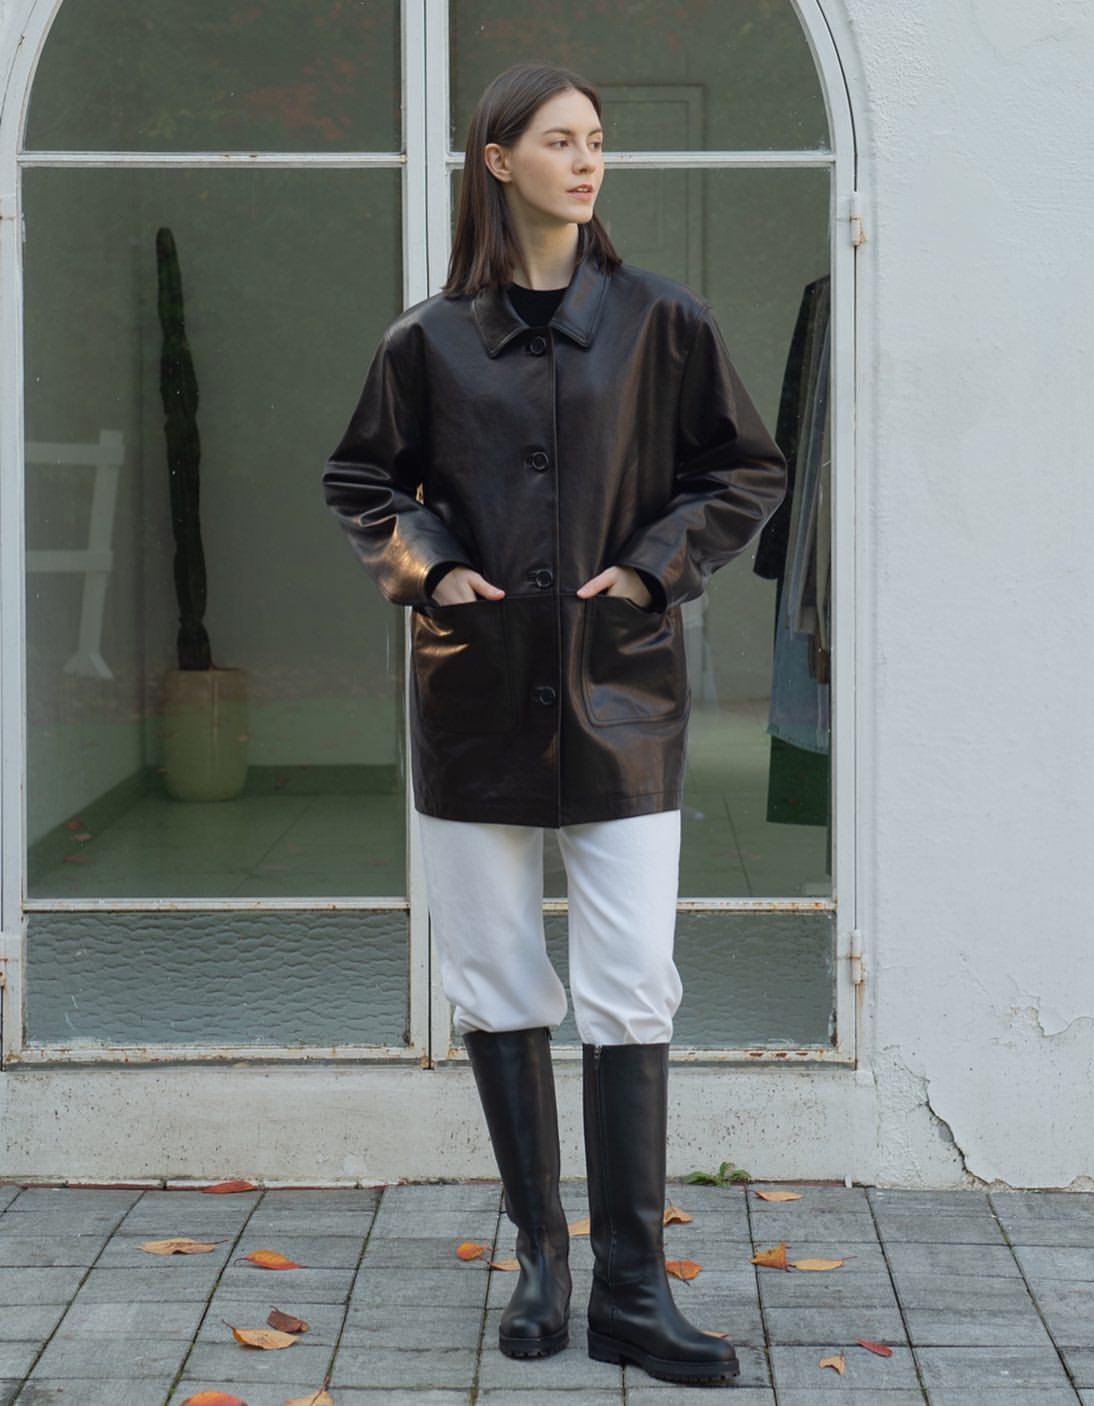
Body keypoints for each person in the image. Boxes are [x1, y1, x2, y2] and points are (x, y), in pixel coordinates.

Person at [323, 62, 786, 1386]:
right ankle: (543, 1257)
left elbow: (744, 467)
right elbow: (362, 479)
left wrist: (649, 568)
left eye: (597, 141)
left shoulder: (661, 321)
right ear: (497, 160)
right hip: (472, 696)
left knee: (630, 980)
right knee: (495, 979)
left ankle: (635, 1289)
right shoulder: (427, 341)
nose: (586, 163)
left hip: (621, 694)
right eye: (560, 141)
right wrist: (429, 568)